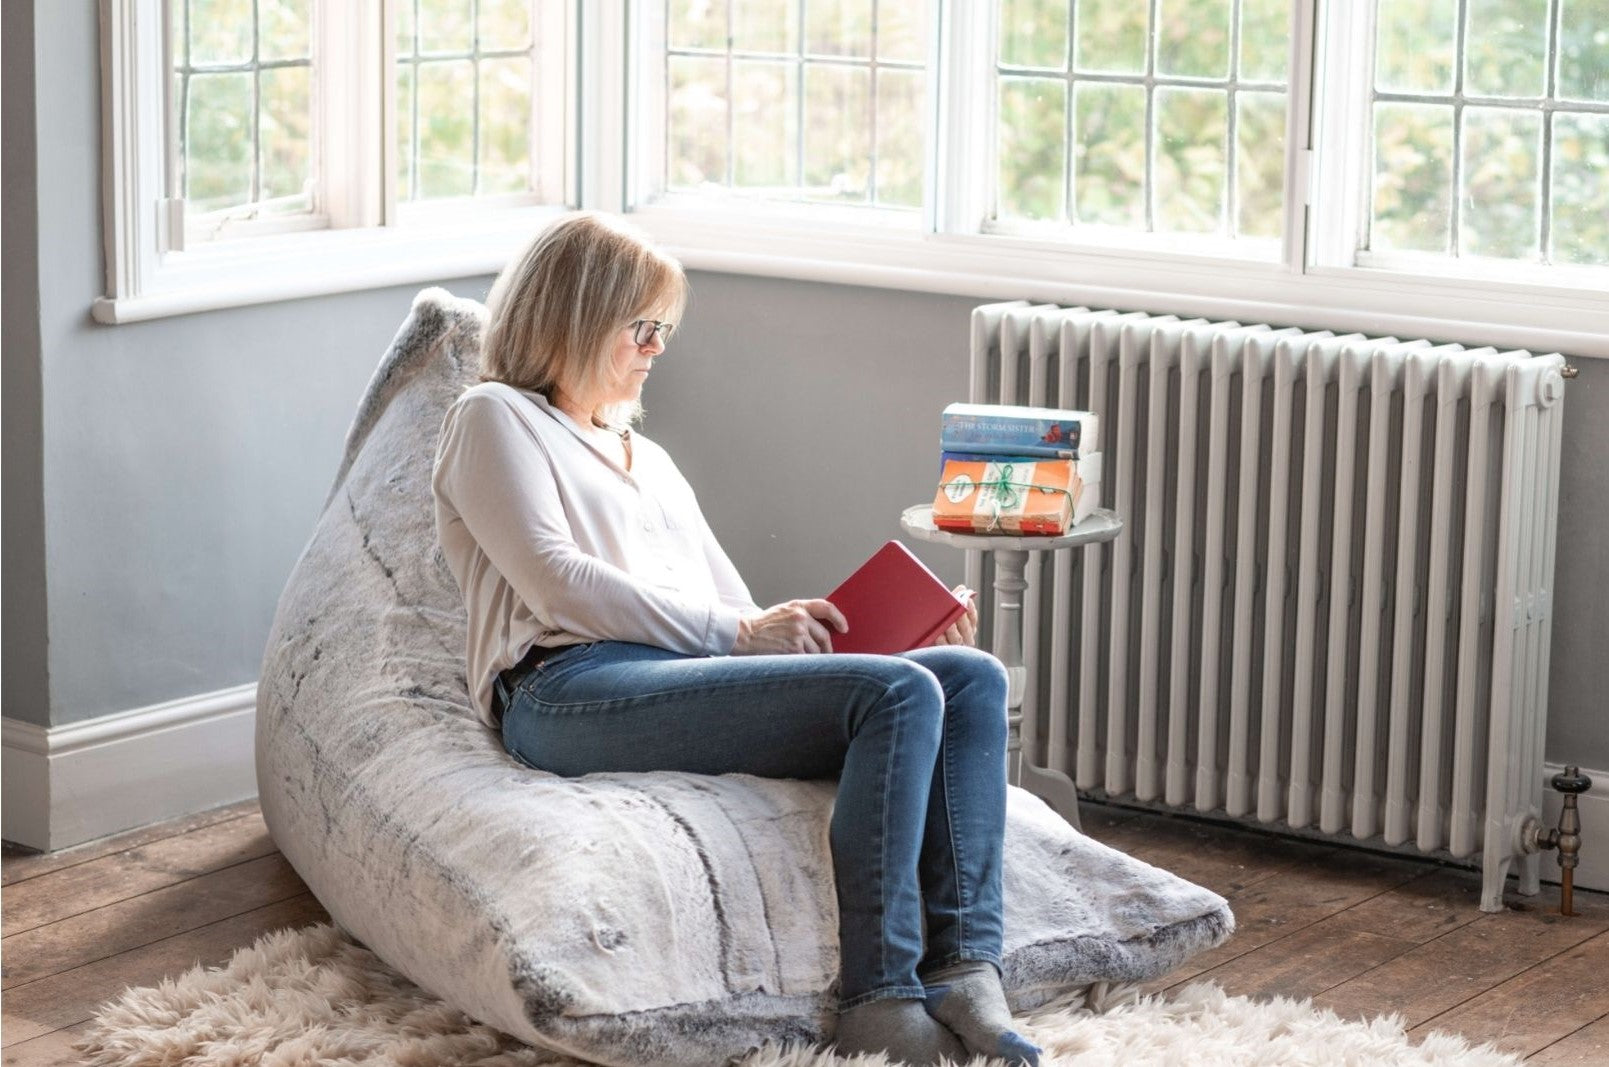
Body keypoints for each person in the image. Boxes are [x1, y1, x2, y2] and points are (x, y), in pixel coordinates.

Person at [430, 210, 1039, 1067]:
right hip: (563, 688)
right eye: (641, 328)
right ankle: (879, 994)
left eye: (663, 331)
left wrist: (866, 641)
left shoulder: (651, 457)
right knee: (896, 691)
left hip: (674, 675)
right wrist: (749, 631)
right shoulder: (494, 417)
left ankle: (966, 965)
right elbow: (556, 580)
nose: (656, 348)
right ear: (575, 315)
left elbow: (736, 615)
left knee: (962, 675)